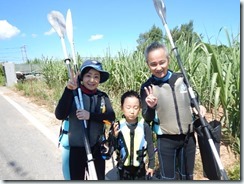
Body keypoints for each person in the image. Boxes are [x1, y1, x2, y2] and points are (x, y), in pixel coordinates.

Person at [140, 42, 206, 180]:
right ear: (147, 64)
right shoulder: (147, 87)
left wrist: (199, 107)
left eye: (162, 62)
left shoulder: (182, 78)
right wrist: (151, 107)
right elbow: (147, 117)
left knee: (187, 176)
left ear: (168, 60)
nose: (158, 67)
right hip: (166, 140)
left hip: (188, 139)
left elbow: (194, 100)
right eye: (153, 64)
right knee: (168, 178)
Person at [55, 60, 116, 180]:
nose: (92, 80)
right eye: (88, 75)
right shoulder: (73, 94)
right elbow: (59, 114)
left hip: (96, 148)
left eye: (96, 77)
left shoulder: (102, 96)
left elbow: (111, 117)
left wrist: (90, 116)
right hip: (76, 150)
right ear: (82, 77)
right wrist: (68, 90)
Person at [112, 90, 155, 180]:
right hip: (123, 168)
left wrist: (151, 165)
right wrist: (114, 136)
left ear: (139, 109)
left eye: (135, 108)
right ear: (122, 108)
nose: (132, 111)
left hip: (140, 168)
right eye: (128, 107)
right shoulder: (118, 125)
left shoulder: (144, 125)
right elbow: (113, 147)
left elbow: (150, 145)